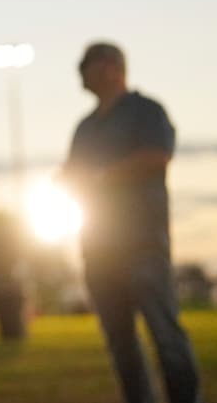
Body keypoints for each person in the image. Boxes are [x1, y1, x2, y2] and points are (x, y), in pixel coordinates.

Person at [61, 42, 202, 403]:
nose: (79, 72)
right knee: (121, 346)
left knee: (166, 337)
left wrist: (101, 177)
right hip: (97, 248)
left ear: (111, 67)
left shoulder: (146, 110)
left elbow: (158, 155)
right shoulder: (85, 127)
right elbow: (71, 175)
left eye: (86, 64)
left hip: (143, 245)